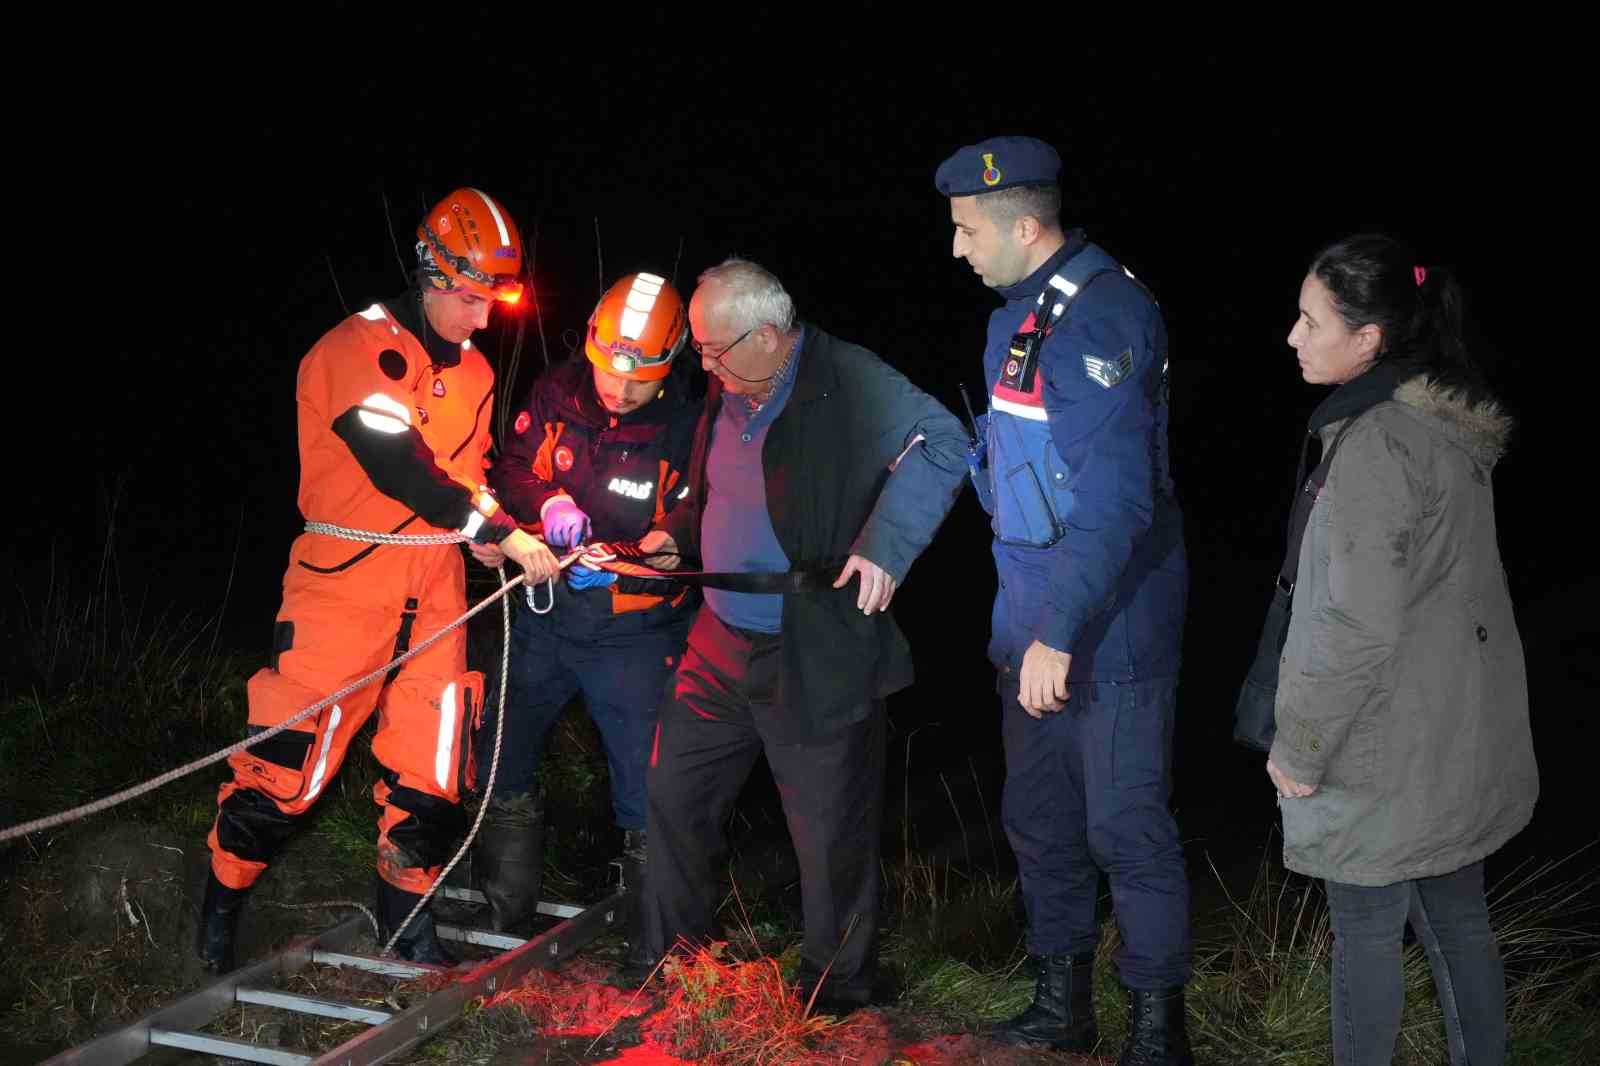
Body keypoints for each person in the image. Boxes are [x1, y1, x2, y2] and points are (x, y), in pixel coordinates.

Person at [198, 188, 561, 972]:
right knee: (287, 762)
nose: (481, 319)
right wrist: (493, 529)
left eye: (492, 302)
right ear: (433, 275)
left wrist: (490, 530)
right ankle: (218, 911)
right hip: (343, 579)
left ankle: (407, 926)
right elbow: (398, 462)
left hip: (436, 584)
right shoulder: (352, 348)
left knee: (435, 761)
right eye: (472, 300)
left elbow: (467, 476)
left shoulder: (476, 373)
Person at [627, 258, 968, 1014]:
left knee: (828, 831)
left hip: (812, 645)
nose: (704, 367)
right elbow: (719, 487)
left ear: (769, 334)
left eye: (715, 350)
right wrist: (677, 533)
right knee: (673, 793)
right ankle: (678, 961)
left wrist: (885, 546)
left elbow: (947, 441)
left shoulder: (845, 377)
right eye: (698, 351)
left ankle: (836, 991)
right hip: (718, 638)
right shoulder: (730, 384)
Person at [935, 136, 1192, 1065]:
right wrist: (1024, 629)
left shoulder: (1102, 315)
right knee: (1039, 818)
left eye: (967, 231)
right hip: (1032, 611)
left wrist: (1058, 632)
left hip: (1109, 616)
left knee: (1125, 827)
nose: (957, 248)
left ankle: (1157, 1031)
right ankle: (1062, 1004)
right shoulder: (1016, 317)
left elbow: (1117, 507)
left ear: (1025, 227)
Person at [1267, 233, 1537, 1066]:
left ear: (1369, 339)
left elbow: (1354, 622)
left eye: (1311, 321)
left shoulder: (1378, 443)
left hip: (1383, 740)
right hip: (1452, 728)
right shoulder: (1438, 424)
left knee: (1366, 933)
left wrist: (1301, 745)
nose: (1293, 336)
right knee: (1459, 920)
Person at [472, 272, 700, 933]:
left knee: (648, 782)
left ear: (668, 367)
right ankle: (503, 915)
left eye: (640, 381)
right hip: (543, 616)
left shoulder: (688, 424)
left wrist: (668, 541)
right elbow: (513, 468)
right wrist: (548, 502)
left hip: (635, 633)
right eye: (610, 372)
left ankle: (651, 936)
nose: (621, 390)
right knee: (502, 752)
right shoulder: (557, 391)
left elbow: (705, 506)